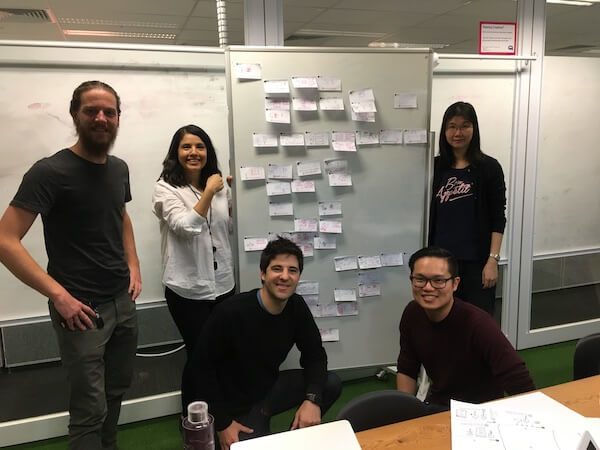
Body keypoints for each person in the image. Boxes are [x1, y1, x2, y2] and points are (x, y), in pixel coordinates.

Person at [0, 81, 141, 450]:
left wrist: (134, 264)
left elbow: (120, 215)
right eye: (91, 110)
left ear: (118, 118)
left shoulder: (119, 168)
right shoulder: (50, 172)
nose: (101, 118)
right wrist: (58, 295)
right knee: (88, 410)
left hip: (122, 302)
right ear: (75, 115)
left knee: (115, 392)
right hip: (80, 309)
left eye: (109, 112)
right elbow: (4, 240)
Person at [188, 237, 342, 450]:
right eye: (277, 268)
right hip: (231, 404)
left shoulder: (296, 307)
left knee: (330, 384)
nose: (285, 277)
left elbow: (315, 355)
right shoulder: (231, 312)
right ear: (263, 273)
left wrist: (312, 400)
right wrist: (223, 423)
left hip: (267, 389)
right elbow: (200, 369)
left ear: (298, 277)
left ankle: (294, 436)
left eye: (292, 270)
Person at [152, 124, 235, 415]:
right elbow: (186, 227)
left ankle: (221, 413)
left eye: (200, 147)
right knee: (199, 356)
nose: (193, 153)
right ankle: (194, 421)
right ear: (176, 152)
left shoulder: (220, 186)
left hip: (224, 284)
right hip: (188, 289)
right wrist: (210, 192)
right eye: (186, 147)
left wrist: (236, 193)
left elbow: (228, 226)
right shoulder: (165, 189)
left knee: (224, 353)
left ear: (207, 152)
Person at [396, 246, 535, 410]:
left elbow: (518, 379)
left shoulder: (478, 324)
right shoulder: (412, 313)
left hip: (481, 411)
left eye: (439, 280)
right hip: (440, 406)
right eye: (420, 279)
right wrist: (404, 413)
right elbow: (407, 368)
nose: (427, 287)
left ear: (455, 284)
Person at [428, 101, 506, 315]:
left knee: (478, 325)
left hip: (477, 264)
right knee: (442, 322)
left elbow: (498, 217)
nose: (458, 132)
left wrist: (493, 260)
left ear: (474, 129)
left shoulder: (489, 168)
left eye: (465, 126)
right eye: (452, 126)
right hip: (440, 263)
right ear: (444, 130)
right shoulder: (433, 167)